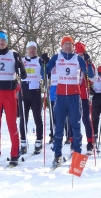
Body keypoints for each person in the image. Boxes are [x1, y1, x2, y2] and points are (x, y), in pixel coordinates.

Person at [44, 36, 94, 166]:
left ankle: (77, 154)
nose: (67, 46)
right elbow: (44, 73)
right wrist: (42, 63)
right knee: (59, 127)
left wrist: (88, 62)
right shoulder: (56, 57)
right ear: (61, 45)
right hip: (60, 96)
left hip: (74, 96)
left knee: (76, 126)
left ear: (73, 46)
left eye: (70, 44)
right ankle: (57, 155)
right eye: (65, 44)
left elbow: (91, 74)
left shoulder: (78, 58)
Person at [0, 31, 27, 166]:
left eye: (3, 39)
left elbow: (24, 75)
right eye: (0, 40)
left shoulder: (14, 55)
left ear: (7, 41)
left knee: (11, 124)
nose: (1, 42)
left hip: (9, 93)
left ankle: (14, 154)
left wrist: (20, 68)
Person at [67, 41, 94, 155]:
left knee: (86, 119)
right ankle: (73, 142)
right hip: (72, 94)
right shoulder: (71, 61)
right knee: (72, 119)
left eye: (82, 54)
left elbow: (93, 76)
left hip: (84, 95)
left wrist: (88, 63)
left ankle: (90, 142)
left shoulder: (87, 62)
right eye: (79, 54)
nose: (80, 56)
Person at [19, 41, 44, 155]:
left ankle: (38, 141)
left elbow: (45, 72)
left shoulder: (39, 60)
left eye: (34, 48)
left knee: (37, 117)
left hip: (35, 90)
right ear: (27, 50)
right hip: (24, 90)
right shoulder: (22, 60)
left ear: (36, 50)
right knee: (23, 118)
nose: (32, 50)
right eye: (30, 48)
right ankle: (23, 142)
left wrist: (45, 62)